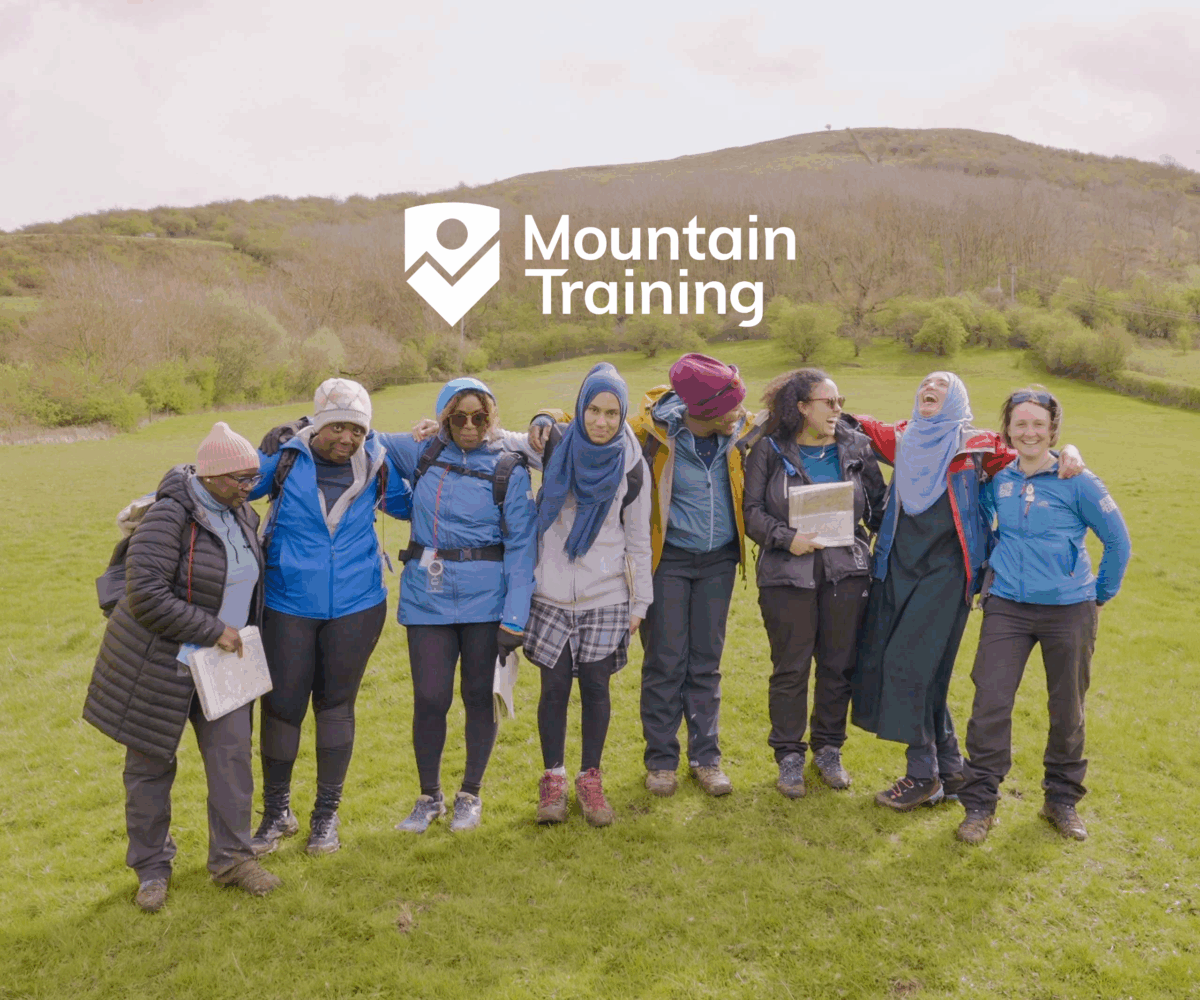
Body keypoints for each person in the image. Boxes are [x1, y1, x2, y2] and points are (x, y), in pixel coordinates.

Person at [525, 353, 760, 798]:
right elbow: (592, 417)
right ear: (705, 409)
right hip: (668, 559)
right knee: (666, 661)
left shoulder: (740, 432)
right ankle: (662, 762)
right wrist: (545, 415)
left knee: (706, 664)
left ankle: (706, 759)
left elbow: (788, 417)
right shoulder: (651, 432)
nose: (739, 413)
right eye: (730, 406)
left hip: (719, 561)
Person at [849, 372, 1084, 811]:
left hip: (947, 574)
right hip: (896, 569)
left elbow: (1032, 455)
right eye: (924, 384)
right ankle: (951, 770)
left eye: (940, 384)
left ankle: (922, 776)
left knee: (909, 666)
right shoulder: (902, 437)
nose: (928, 388)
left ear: (955, 397)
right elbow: (845, 421)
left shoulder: (978, 446)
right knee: (924, 675)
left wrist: (1068, 450)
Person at [83, 422, 281, 912]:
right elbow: (146, 595)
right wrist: (214, 629)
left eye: (253, 477)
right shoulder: (168, 516)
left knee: (232, 761)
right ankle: (151, 870)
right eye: (240, 478)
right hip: (158, 666)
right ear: (211, 475)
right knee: (150, 768)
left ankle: (233, 859)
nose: (249, 486)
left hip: (224, 666)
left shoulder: (242, 514)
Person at [955, 387, 1130, 845]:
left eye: (1038, 424)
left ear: (1052, 429)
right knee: (990, 702)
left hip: (1068, 611)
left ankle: (1061, 800)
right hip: (1008, 606)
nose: (1029, 431)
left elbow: (1118, 541)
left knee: (1067, 708)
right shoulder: (999, 481)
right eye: (1020, 423)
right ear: (1008, 429)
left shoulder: (1079, 481)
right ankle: (979, 804)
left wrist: (1099, 595)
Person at [248, 378, 412, 856]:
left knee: (336, 708)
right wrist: (179, 484)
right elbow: (232, 483)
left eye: (356, 431)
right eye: (337, 428)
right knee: (282, 707)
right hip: (287, 602)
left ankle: (326, 817)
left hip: (358, 604)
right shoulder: (287, 457)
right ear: (317, 425)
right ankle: (276, 812)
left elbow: (416, 503)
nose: (347, 438)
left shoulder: (377, 462)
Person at [384, 377, 537, 833]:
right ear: (444, 417)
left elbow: (522, 546)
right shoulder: (424, 452)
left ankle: (470, 794)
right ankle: (428, 797)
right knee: (430, 698)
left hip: (486, 602)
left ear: (491, 418)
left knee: (478, 696)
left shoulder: (509, 467)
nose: (470, 426)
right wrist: (301, 432)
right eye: (458, 417)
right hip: (427, 597)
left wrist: (515, 617)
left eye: (479, 417)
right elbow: (365, 439)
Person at [743, 369, 886, 798]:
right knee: (790, 669)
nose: (838, 409)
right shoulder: (768, 449)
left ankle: (828, 749)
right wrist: (789, 539)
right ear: (802, 407)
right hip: (788, 577)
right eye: (829, 402)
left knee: (838, 666)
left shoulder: (857, 446)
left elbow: (879, 506)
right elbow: (751, 512)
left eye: (840, 401)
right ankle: (789, 756)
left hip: (847, 574)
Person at [526, 363, 652, 826]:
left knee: (597, 687)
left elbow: (639, 537)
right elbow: (504, 441)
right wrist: (540, 417)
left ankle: (590, 778)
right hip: (551, 593)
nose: (601, 422)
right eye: (593, 410)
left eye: (612, 413)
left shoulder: (632, 464)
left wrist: (639, 603)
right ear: (580, 410)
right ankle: (554, 778)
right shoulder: (552, 445)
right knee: (554, 688)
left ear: (622, 417)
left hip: (607, 595)